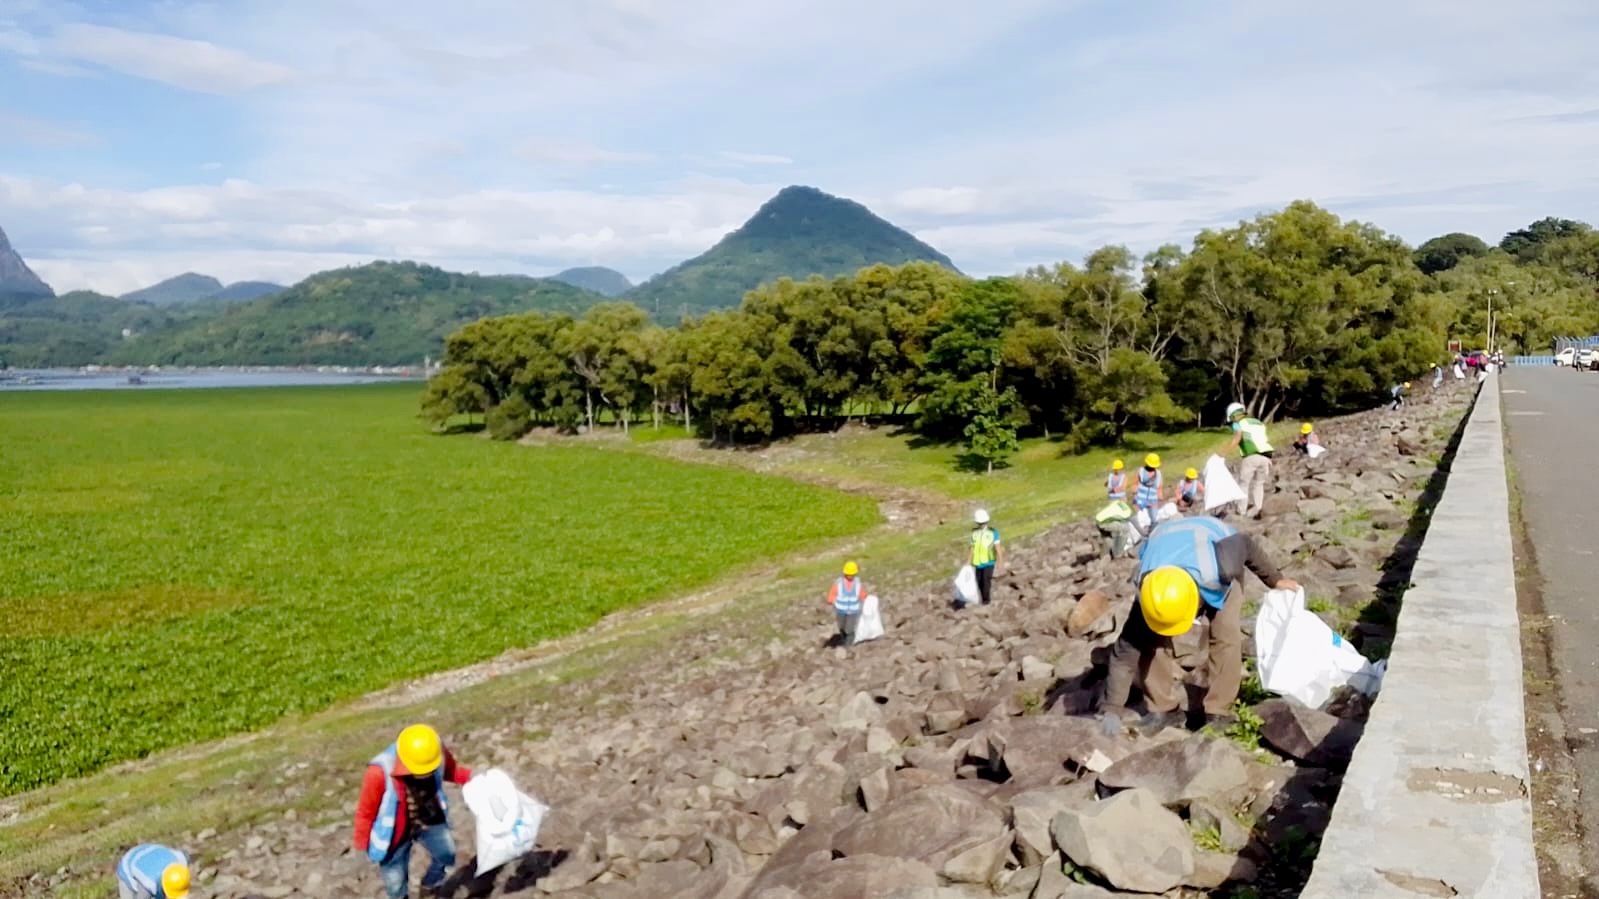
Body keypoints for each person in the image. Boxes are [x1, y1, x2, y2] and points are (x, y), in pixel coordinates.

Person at [1101, 516, 1300, 733]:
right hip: (1165, 548)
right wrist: (1112, 709)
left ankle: (1219, 711)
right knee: (1151, 638)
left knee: (1225, 635)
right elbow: (1124, 653)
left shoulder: (1222, 565)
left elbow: (1245, 543)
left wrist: (1275, 579)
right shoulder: (1150, 594)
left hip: (1213, 547)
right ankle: (1164, 709)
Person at [355, 724, 474, 899]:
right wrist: (361, 845)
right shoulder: (378, 772)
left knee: (446, 854)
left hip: (428, 816)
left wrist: (473, 777)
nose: (427, 774)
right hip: (394, 834)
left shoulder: (433, 751)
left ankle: (430, 886)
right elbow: (365, 812)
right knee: (395, 882)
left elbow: (451, 771)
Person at [1225, 402, 1273, 519]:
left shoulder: (1238, 424)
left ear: (1233, 415)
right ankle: (1258, 508)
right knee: (1259, 484)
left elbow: (1237, 438)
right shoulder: (1258, 422)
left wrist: (1224, 452)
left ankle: (1241, 511)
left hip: (1251, 457)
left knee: (1244, 484)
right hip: (1266, 457)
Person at [116, 844, 190, 899]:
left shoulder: (180, 860)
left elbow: (187, 855)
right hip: (127, 866)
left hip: (150, 852)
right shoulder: (149, 884)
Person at [968, 509, 1003, 605]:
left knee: (986, 581)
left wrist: (1000, 561)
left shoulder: (993, 532)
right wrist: (968, 561)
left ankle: (986, 601)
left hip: (989, 562)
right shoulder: (974, 533)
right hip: (978, 563)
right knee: (979, 581)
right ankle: (983, 599)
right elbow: (971, 548)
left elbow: (998, 547)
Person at [827, 561, 866, 644]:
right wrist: (831, 599)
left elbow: (862, 595)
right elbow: (832, 594)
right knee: (842, 627)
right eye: (849, 574)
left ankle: (849, 645)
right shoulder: (839, 583)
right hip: (841, 610)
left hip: (853, 611)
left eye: (852, 574)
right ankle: (844, 639)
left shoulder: (858, 584)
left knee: (849, 629)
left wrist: (865, 601)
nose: (850, 576)